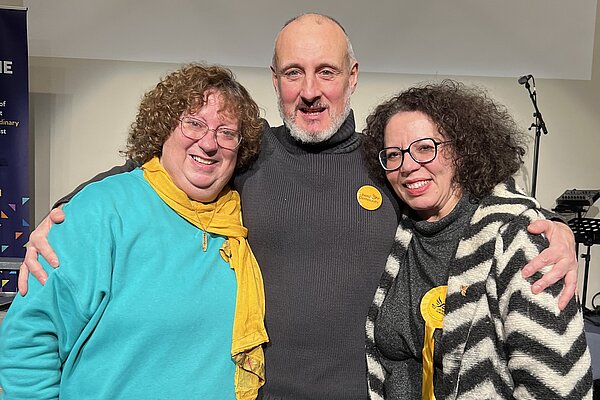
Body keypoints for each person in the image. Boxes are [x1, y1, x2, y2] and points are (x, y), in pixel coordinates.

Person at [19, 14, 579, 399]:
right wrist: (66, 210)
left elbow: (470, 190)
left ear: (351, 77)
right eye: (294, 73)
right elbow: (161, 170)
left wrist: (552, 225)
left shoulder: (387, 162)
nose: (310, 90)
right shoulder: (248, 154)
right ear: (276, 80)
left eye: (326, 71)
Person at [0, 64, 268, 399]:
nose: (209, 143)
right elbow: (30, 335)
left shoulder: (241, 221)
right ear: (164, 127)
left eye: (226, 132)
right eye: (194, 123)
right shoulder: (101, 210)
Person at [363, 80, 592, 399]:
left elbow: (558, 386)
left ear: (460, 149)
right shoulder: (398, 229)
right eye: (393, 154)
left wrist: (553, 225)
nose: (408, 166)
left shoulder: (517, 236)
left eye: (425, 148)